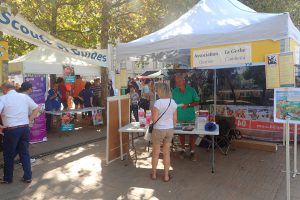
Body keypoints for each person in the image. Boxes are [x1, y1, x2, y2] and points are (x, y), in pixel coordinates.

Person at [0, 82, 39, 184]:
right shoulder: (24, 97)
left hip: (11, 130)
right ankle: (27, 177)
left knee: (8, 155)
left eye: (2, 89)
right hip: (24, 129)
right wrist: (29, 120)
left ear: (5, 89)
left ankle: (8, 178)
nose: (2, 91)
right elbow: (36, 108)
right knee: (24, 153)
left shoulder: (3, 98)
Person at [151, 82, 177, 182]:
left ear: (160, 91)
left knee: (156, 153)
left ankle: (154, 174)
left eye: (157, 90)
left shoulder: (158, 103)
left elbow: (154, 119)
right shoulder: (173, 102)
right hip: (169, 130)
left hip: (158, 130)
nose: (156, 92)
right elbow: (175, 120)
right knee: (167, 154)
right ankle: (166, 176)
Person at [172, 74, 199, 161]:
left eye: (179, 81)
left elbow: (197, 101)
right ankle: (183, 150)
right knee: (181, 134)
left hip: (190, 116)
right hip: (179, 117)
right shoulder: (174, 91)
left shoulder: (191, 90)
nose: (178, 83)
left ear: (184, 81)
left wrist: (189, 105)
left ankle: (192, 151)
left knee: (192, 134)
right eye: (176, 82)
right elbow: (172, 103)